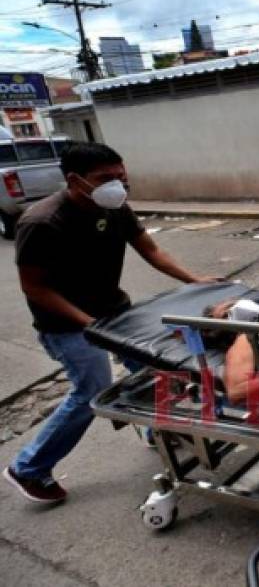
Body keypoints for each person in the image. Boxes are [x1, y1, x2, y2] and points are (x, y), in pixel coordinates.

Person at [4, 142, 213, 505]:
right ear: (75, 180)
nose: (118, 185)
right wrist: (90, 324)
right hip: (67, 325)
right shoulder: (42, 222)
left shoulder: (114, 207)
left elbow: (151, 250)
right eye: (106, 179)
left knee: (157, 368)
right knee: (91, 392)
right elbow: (34, 288)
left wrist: (194, 280)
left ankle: (155, 430)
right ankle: (29, 468)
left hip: (115, 311)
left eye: (121, 177)